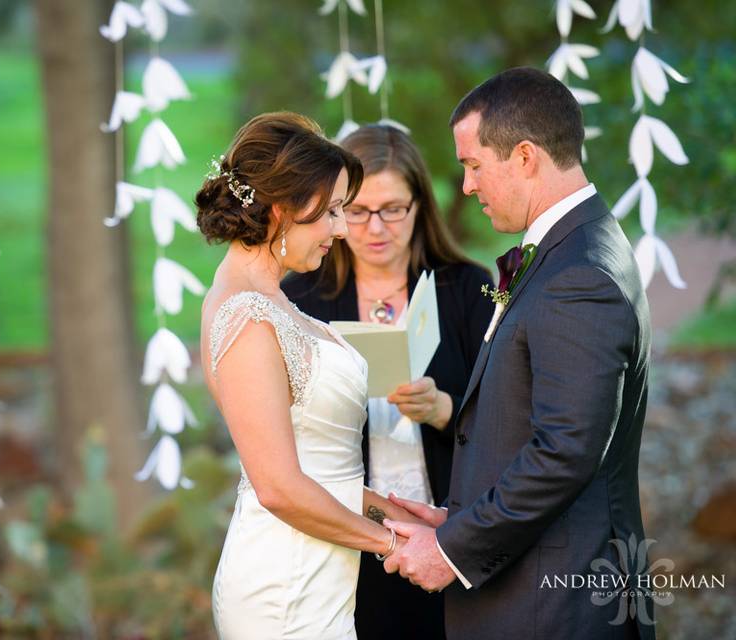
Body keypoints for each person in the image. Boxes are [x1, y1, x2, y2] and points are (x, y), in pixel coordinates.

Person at [382, 67, 654, 640]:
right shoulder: (576, 247)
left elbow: (564, 451)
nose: (466, 187)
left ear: (525, 156)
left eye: (473, 165)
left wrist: (454, 548)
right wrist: (459, 515)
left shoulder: (579, 276)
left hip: (556, 605)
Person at [197, 112, 419, 640]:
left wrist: (404, 516)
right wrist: (392, 546)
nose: (343, 230)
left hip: (321, 573)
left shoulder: (273, 302)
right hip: (284, 589)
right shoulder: (248, 318)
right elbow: (276, 486)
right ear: (281, 211)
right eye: (334, 212)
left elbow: (319, 463)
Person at [281, 124, 493, 639]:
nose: (376, 228)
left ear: (420, 206)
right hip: (347, 533)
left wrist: (445, 408)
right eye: (356, 211)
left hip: (449, 530)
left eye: (393, 208)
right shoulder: (302, 298)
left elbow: (511, 420)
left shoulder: (469, 289)